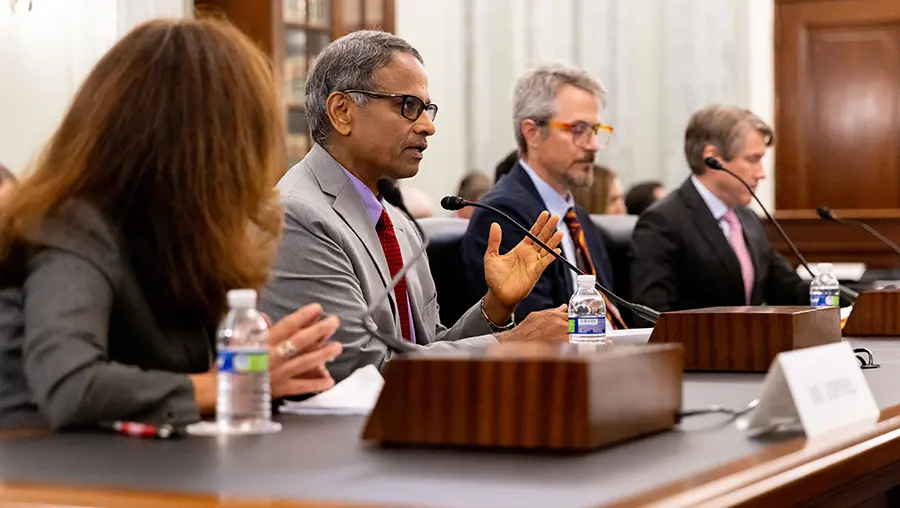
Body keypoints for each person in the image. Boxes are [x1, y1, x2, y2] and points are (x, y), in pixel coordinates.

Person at [0, 19, 342, 431]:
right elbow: (73, 385)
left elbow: (185, 377)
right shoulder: (73, 225)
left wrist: (255, 368)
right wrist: (228, 385)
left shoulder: (176, 235)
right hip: (39, 478)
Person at [260, 31, 568, 385]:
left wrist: (496, 307)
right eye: (408, 106)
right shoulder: (297, 214)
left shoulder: (398, 223)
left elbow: (428, 348)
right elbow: (363, 370)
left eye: (426, 108)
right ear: (342, 112)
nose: (428, 126)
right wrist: (509, 343)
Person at [459, 64, 627, 329]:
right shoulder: (503, 214)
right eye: (578, 130)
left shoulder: (577, 216)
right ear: (533, 133)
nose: (594, 146)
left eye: (595, 131)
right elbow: (534, 330)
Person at [629, 105, 808, 318]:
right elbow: (652, 315)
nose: (761, 174)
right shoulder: (662, 222)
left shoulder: (747, 217)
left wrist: (849, 297)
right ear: (712, 158)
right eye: (753, 159)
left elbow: (787, 289)